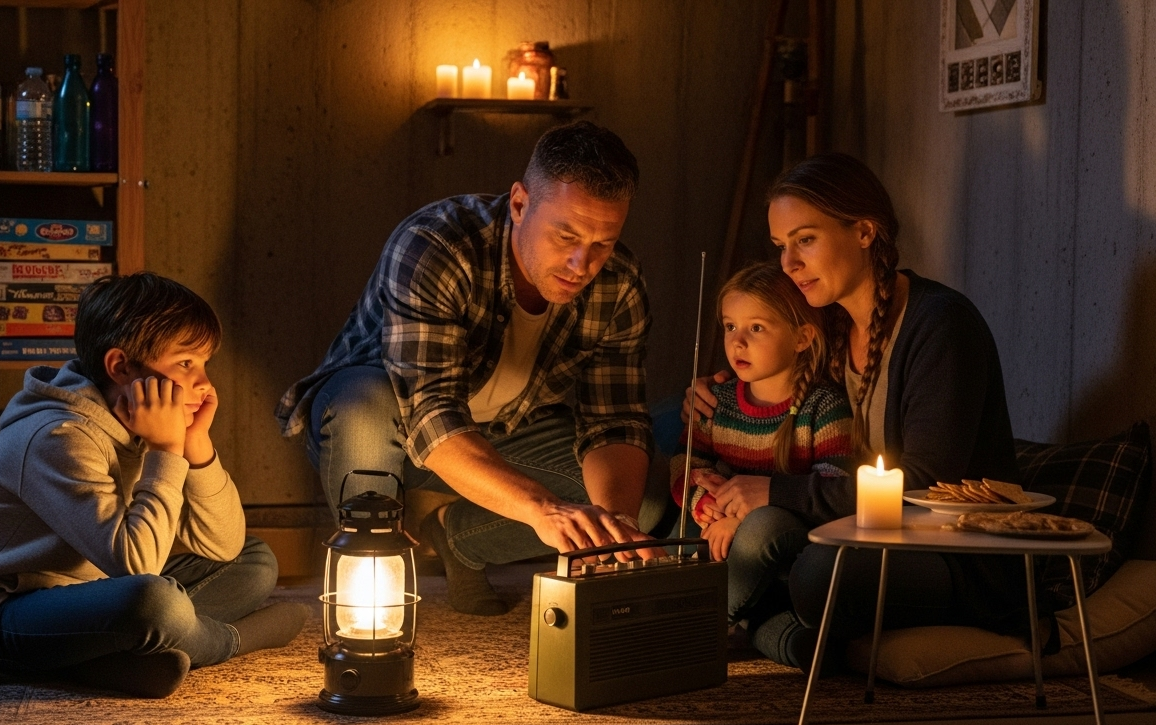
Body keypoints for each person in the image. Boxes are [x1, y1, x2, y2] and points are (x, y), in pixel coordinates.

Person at [277, 121, 665, 616]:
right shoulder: (437, 245)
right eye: (565, 234)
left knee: (640, 506)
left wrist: (609, 533)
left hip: (503, 431)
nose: (580, 263)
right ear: (521, 203)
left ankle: (459, 539)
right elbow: (431, 412)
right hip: (384, 420)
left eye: (602, 243)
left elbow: (614, 421)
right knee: (361, 402)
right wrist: (542, 509)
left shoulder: (620, 283)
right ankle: (370, 597)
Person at [685, 152, 1024, 670]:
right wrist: (714, 393)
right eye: (781, 246)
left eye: (806, 239)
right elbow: (779, 394)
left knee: (817, 576)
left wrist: (775, 491)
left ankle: (735, 623)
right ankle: (779, 633)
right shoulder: (834, 326)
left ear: (864, 232)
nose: (788, 264)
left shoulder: (941, 326)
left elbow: (927, 485)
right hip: (852, 528)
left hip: (950, 555)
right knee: (681, 466)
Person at [0, 273, 307, 698]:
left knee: (255, 559)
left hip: (87, 589)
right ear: (121, 366)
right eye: (185, 363)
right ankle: (226, 641)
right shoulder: (59, 437)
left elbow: (223, 546)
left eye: (204, 364)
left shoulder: (141, 422)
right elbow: (137, 567)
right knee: (153, 602)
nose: (205, 383)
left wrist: (197, 447)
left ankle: (114, 656)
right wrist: (165, 450)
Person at [670, 261, 853, 662]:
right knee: (798, 645)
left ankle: (700, 626)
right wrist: (710, 512)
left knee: (761, 528)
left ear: (802, 337)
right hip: (716, 539)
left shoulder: (822, 408)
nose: (737, 342)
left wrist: (740, 518)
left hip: (781, 551)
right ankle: (755, 625)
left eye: (756, 328)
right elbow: (687, 466)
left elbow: (834, 481)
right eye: (730, 326)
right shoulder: (715, 401)